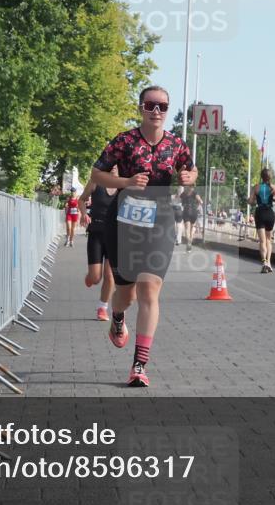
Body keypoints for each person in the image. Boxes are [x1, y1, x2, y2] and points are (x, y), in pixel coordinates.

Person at [90, 85, 197, 387]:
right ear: (141, 108)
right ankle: (118, 318)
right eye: (151, 105)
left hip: (161, 220)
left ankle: (139, 365)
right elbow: (97, 174)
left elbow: (191, 171)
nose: (157, 111)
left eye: (163, 106)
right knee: (126, 294)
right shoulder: (124, 141)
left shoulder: (177, 144)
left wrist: (189, 178)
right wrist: (125, 180)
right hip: (123, 221)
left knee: (149, 290)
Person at [78, 168, 119, 321]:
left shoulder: (125, 184)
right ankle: (91, 276)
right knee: (96, 278)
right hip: (96, 232)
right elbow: (81, 199)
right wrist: (84, 214)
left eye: (117, 163)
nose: (114, 166)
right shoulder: (96, 180)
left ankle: (102, 308)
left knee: (110, 275)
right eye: (112, 163)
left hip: (115, 235)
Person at [249, 168, 275, 273]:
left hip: (260, 213)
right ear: (270, 177)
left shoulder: (256, 187)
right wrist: (272, 199)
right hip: (270, 214)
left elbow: (250, 201)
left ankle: (264, 262)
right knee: (268, 240)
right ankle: (269, 263)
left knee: (262, 241)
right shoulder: (273, 187)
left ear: (261, 176)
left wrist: (252, 200)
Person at [180, 184, 201, 252]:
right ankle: (190, 242)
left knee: (187, 229)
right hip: (194, 211)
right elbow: (201, 201)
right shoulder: (195, 193)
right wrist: (198, 206)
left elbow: (179, 201)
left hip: (186, 211)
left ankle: (188, 241)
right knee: (192, 228)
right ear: (193, 187)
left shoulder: (183, 193)